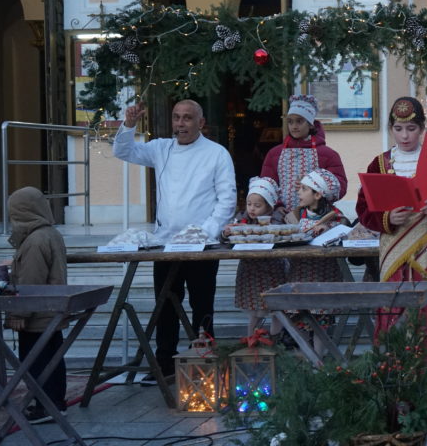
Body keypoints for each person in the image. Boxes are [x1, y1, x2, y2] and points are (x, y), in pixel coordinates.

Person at [113, 100, 236, 381]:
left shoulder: (217, 154)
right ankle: (164, 364)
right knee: (165, 305)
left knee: (203, 305)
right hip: (166, 244)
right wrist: (129, 124)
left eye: (187, 119)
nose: (181, 124)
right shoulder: (161, 148)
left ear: (201, 123)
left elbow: (226, 199)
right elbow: (123, 150)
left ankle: (204, 362)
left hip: (202, 246)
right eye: (176, 118)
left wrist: (205, 233)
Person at [355, 97, 427, 395]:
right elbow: (363, 209)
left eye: (412, 129)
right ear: (391, 129)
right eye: (399, 129)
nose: (405, 136)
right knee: (393, 314)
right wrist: (387, 217)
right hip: (394, 252)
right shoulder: (379, 163)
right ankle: (393, 387)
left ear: (422, 129)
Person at [5, 187, 68, 424]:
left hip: (37, 314)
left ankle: (45, 406)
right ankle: (56, 404)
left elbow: (31, 280)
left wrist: (19, 312)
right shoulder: (50, 234)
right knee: (53, 358)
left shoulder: (35, 241)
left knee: (36, 361)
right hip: (50, 310)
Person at [260, 95, 347, 213]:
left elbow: (340, 187)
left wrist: (313, 186)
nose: (294, 126)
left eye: (299, 121)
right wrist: (277, 206)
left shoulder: (328, 155)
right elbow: (266, 185)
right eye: (290, 122)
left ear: (310, 124)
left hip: (317, 217)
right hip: (282, 218)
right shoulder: (274, 154)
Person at [225, 176, 288, 334]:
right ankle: (251, 342)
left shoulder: (277, 220)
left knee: (276, 309)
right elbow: (227, 238)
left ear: (269, 206)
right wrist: (226, 233)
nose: (252, 209)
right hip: (250, 272)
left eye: (257, 205)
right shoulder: (241, 219)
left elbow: (280, 236)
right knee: (255, 310)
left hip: (273, 271)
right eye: (249, 204)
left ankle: (275, 341)